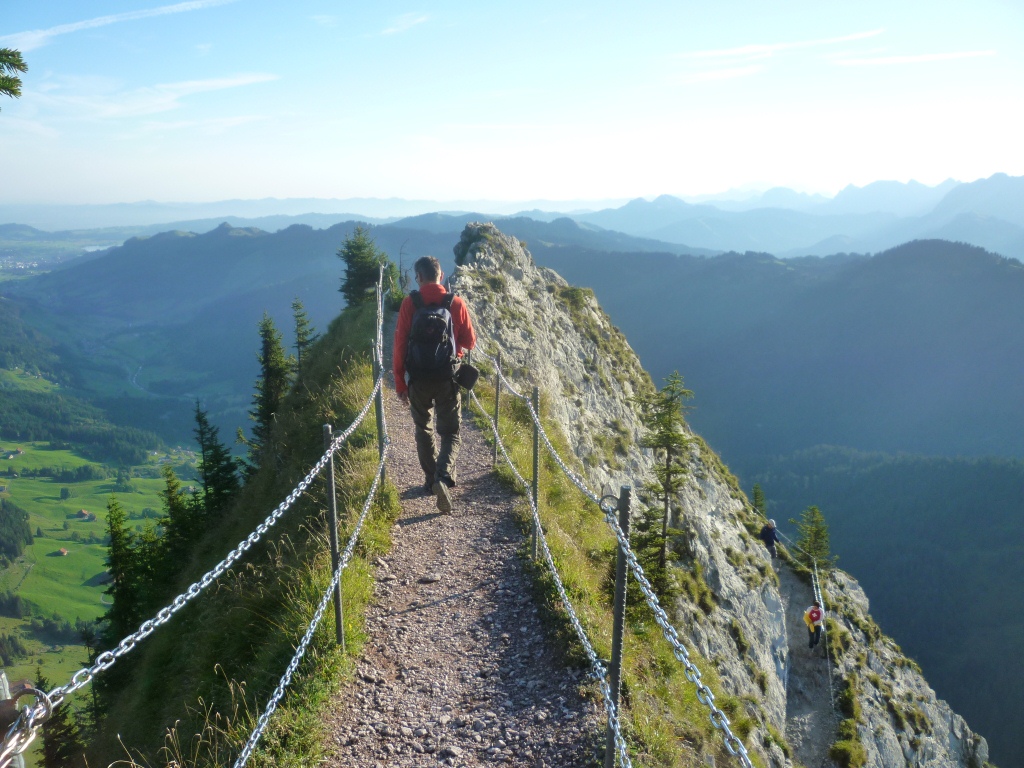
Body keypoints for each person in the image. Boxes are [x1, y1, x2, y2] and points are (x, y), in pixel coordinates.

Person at [393, 256, 476, 513]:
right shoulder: (455, 302)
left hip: (418, 378)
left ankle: (430, 481)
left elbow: (400, 344)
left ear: (419, 277)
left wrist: (400, 382)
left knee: (423, 429)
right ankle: (443, 477)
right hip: (447, 378)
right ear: (441, 275)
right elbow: (470, 341)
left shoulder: (410, 303)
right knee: (450, 432)